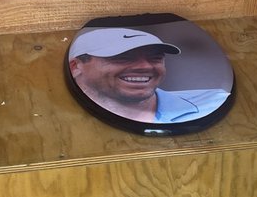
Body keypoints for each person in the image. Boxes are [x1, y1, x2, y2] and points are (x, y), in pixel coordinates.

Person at [67, 27, 230, 124]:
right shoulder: (61, 124)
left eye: (155, 58)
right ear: (76, 66)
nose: (145, 66)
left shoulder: (216, 103)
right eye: (123, 57)